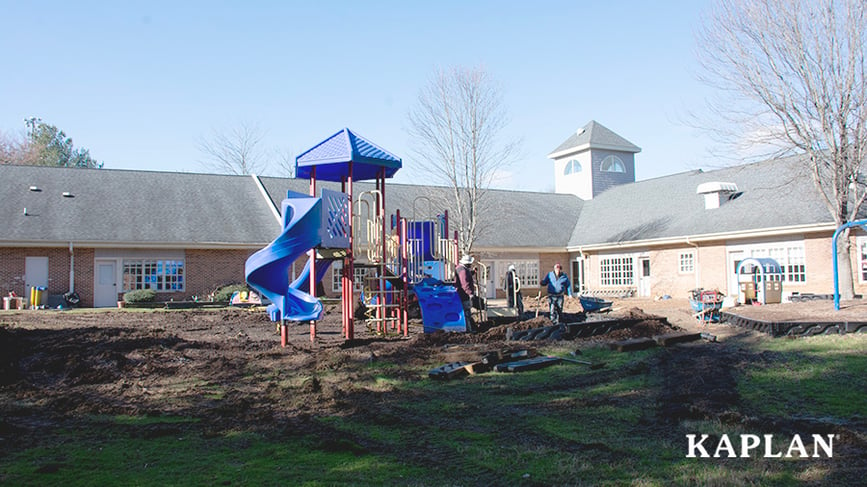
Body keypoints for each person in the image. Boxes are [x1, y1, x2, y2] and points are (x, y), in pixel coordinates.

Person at [455, 255, 476, 332]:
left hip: (461, 294)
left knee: (466, 313)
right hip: (463, 295)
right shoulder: (463, 270)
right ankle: (468, 329)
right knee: (466, 313)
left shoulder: (460, 268)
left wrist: (471, 273)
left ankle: (468, 328)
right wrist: (470, 293)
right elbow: (464, 283)